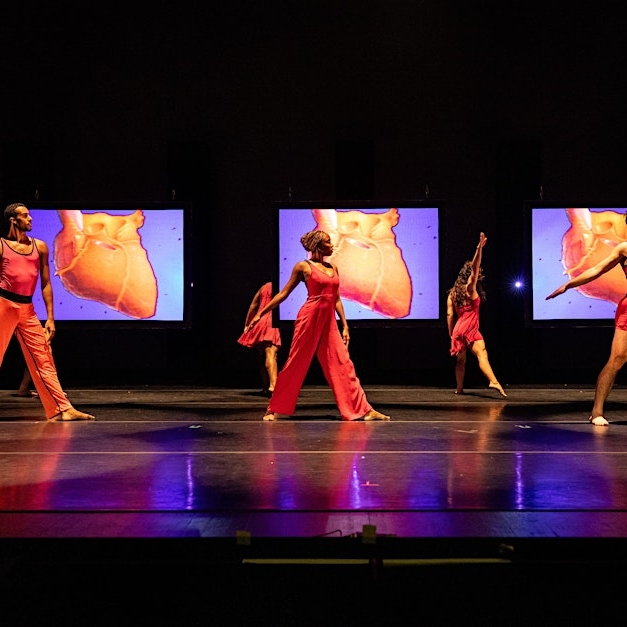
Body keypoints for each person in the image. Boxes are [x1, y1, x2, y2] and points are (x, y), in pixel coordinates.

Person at [245, 229, 390, 421]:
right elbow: (283, 293)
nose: (332, 245)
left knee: (343, 363)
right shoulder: (303, 267)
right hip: (309, 317)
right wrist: (260, 314)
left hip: (328, 320)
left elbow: (336, 298)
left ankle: (363, 409)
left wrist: (345, 325)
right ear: (317, 246)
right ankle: (275, 408)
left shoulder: (333, 268)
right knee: (296, 361)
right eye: (328, 242)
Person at [0, 202, 94, 421]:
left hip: (27, 309)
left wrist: (50, 317)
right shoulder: (2, 246)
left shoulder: (40, 246)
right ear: (13, 220)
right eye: (25, 216)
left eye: (29, 215)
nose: (30, 219)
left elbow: (45, 283)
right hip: (4, 304)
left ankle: (63, 409)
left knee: (43, 358)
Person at [545, 225, 627, 426]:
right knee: (617, 359)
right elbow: (597, 269)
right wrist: (568, 285)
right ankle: (597, 411)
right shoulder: (624, 248)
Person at [446, 232, 506, 397]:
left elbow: (450, 315)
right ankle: (493, 381)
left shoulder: (452, 294)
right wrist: (479, 249)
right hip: (470, 327)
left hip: (458, 329)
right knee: (482, 354)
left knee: (460, 361)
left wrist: (452, 334)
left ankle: (459, 389)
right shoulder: (470, 289)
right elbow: (475, 266)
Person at [237, 282, 281, 395]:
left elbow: (253, 306)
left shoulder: (263, 287)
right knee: (271, 353)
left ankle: (266, 386)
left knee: (262, 356)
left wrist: (247, 324)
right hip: (271, 321)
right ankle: (273, 385)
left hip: (259, 322)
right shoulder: (281, 285)